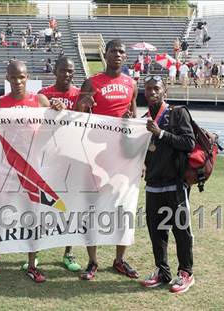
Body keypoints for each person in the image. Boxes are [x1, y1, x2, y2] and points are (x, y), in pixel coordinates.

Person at [0, 60, 65, 283]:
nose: (18, 81)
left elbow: (54, 129)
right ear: (7, 78)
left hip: (32, 171)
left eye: (22, 77)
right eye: (14, 77)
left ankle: (32, 264)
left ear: (27, 77)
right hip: (5, 169)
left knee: (33, 217)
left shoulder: (39, 100)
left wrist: (59, 110)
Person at [76, 39, 138, 281]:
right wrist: (83, 106)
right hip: (96, 154)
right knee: (93, 209)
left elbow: (134, 116)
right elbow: (78, 118)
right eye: (114, 51)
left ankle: (120, 260)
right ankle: (92, 262)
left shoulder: (131, 83)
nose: (118, 55)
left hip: (123, 157)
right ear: (105, 54)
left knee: (123, 208)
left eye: (122, 52)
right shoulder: (92, 82)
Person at [141, 75, 195, 294]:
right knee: (157, 232)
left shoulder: (177, 113)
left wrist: (160, 133)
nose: (152, 92)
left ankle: (186, 273)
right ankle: (162, 272)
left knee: (181, 231)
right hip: (153, 185)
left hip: (175, 185)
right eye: (148, 89)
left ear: (165, 92)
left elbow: (188, 143)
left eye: (156, 88)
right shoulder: (143, 119)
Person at [34, 57, 83, 272]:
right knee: (42, 208)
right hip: (46, 158)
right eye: (63, 71)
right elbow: (34, 123)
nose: (67, 75)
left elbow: (87, 122)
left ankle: (68, 253)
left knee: (70, 208)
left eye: (70, 71)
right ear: (55, 71)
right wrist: (50, 110)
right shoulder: (43, 94)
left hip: (72, 158)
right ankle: (34, 252)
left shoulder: (79, 94)